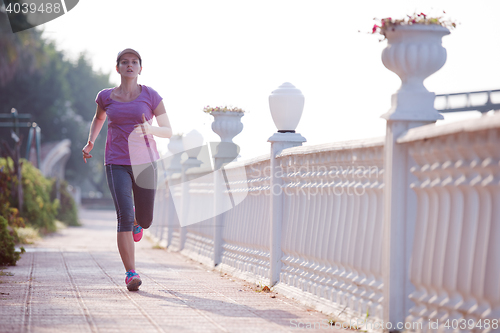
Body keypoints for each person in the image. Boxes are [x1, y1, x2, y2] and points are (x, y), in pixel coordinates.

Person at [82, 48, 172, 291]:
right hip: (116, 161)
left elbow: (168, 130)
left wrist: (149, 129)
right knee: (122, 215)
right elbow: (99, 118)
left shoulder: (151, 96)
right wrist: (91, 140)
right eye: (124, 62)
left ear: (140, 68)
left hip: (146, 162)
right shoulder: (106, 96)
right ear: (118, 68)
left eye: (134, 62)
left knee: (146, 220)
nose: (129, 65)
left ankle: (137, 220)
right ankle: (131, 272)